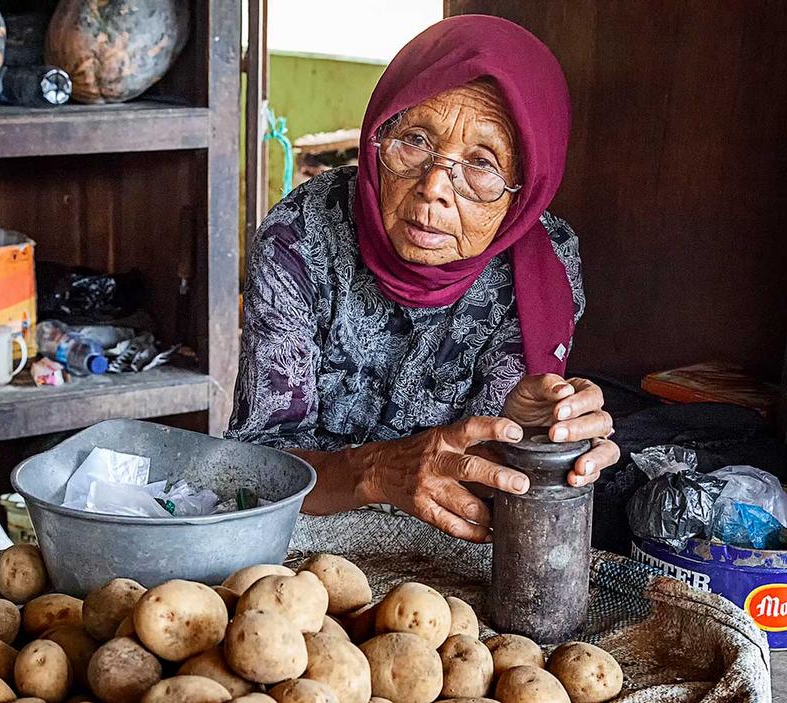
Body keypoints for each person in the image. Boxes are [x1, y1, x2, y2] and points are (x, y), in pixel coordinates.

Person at [227, 15, 620, 542]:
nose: (434, 186)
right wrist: (374, 471)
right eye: (413, 139)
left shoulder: (541, 267)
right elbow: (252, 474)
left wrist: (529, 433)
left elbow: (485, 475)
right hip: (302, 539)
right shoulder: (300, 236)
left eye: (482, 164)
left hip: (448, 547)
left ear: (525, 193)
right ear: (377, 135)